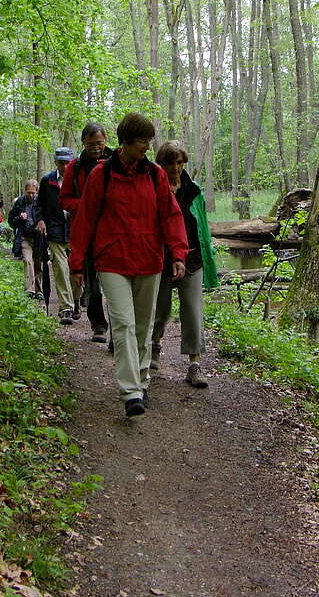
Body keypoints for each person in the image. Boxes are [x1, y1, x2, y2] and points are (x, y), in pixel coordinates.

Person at [70, 113, 187, 418]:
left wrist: (177, 253)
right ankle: (131, 391)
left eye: (149, 142)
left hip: (150, 258)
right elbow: (85, 220)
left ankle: (143, 379)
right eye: (141, 143)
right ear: (124, 142)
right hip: (112, 260)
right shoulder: (101, 175)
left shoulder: (155, 174)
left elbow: (170, 215)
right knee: (122, 324)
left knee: (144, 326)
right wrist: (77, 261)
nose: (146, 148)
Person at [149, 141, 219, 389]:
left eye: (180, 163)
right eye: (171, 163)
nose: (176, 168)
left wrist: (208, 260)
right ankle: (155, 346)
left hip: (192, 258)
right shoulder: (153, 188)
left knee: (192, 310)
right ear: (162, 164)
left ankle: (194, 365)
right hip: (162, 259)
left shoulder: (194, 190)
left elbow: (202, 227)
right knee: (160, 309)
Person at [59, 123, 112, 343]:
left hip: (112, 230)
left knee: (115, 282)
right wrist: (86, 205)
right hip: (86, 231)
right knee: (92, 284)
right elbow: (64, 199)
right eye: (91, 144)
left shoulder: (116, 161)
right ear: (83, 143)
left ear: (105, 140)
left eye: (99, 143)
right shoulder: (76, 166)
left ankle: (118, 331)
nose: (95, 148)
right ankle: (98, 325)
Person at [38, 147, 77, 323]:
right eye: (61, 162)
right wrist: (40, 220)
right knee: (61, 269)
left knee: (76, 271)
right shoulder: (48, 181)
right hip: (54, 232)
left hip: (76, 232)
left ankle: (77, 298)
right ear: (56, 162)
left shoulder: (79, 179)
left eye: (67, 162)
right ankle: (66, 308)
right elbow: (39, 206)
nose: (64, 166)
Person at [9, 181, 42, 298]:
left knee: (38, 264)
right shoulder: (19, 202)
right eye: (29, 193)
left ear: (37, 191)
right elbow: (11, 221)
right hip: (24, 237)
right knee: (28, 261)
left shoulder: (41, 201)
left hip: (38, 238)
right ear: (25, 191)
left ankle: (39, 290)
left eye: (33, 193)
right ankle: (30, 289)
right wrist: (19, 218)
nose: (31, 195)